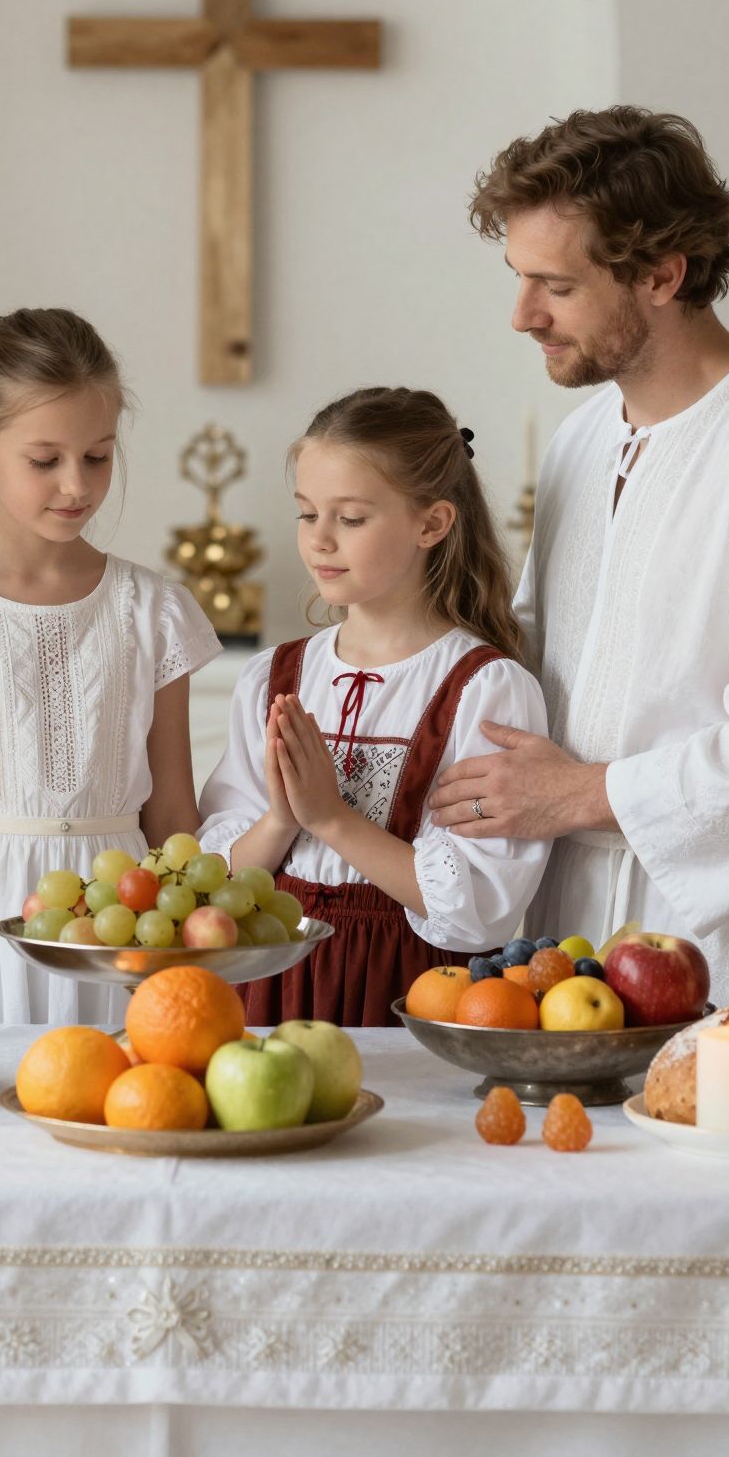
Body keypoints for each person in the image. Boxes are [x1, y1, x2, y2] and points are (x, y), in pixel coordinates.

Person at [433, 105, 729, 1002]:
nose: (522, 315)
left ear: (662, 274)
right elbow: (537, 656)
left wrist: (576, 795)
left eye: (556, 287)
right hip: (558, 930)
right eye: (518, 278)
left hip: (722, 938)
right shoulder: (584, 439)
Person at [0, 308, 221, 1026]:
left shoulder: (154, 612)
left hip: (122, 934)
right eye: (45, 459)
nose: (76, 485)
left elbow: (174, 817)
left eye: (98, 456)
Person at [197, 387, 549, 1027]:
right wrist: (281, 820)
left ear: (432, 523)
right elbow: (208, 880)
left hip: (413, 989)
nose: (320, 541)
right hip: (271, 980)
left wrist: (332, 820)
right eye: (308, 515)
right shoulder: (273, 676)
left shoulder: (486, 688)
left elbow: (479, 910)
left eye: (351, 519)